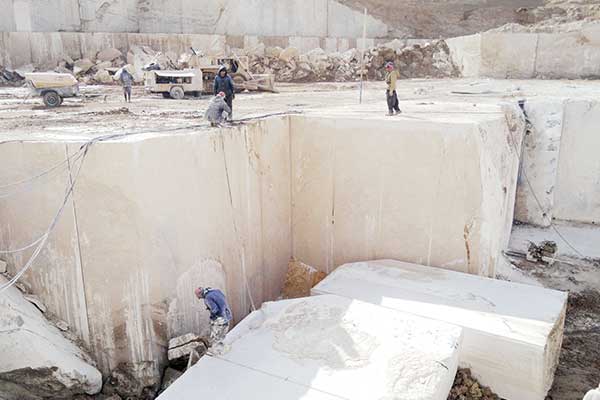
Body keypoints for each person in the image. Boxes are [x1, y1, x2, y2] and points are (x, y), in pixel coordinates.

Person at [195, 286, 233, 352]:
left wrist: (212, 317)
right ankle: (224, 347)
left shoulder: (207, 298)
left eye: (198, 297)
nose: (199, 298)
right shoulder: (215, 290)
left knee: (215, 335)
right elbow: (222, 299)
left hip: (220, 318)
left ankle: (217, 350)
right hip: (227, 314)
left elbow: (215, 309)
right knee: (222, 334)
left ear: (200, 294)